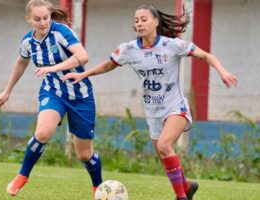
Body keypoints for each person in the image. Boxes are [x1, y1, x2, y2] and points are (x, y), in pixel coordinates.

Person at [62, 4, 237, 200]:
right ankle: (187, 187)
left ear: (156, 22)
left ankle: (181, 197)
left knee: (164, 146)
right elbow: (108, 65)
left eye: (144, 19)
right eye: (136, 20)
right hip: (153, 110)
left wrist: (223, 72)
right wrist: (84, 74)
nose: (139, 23)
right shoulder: (128, 49)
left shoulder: (172, 45)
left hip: (175, 107)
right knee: (164, 156)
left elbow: (205, 55)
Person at [0, 0, 102, 197]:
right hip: (53, 91)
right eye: (38, 19)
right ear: (29, 20)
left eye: (46, 17)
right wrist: (7, 90)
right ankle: (22, 175)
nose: (43, 22)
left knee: (84, 154)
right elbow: (21, 62)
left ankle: (99, 187)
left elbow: (83, 56)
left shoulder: (61, 32)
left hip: (81, 96)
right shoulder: (28, 42)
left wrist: (53, 68)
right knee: (43, 132)